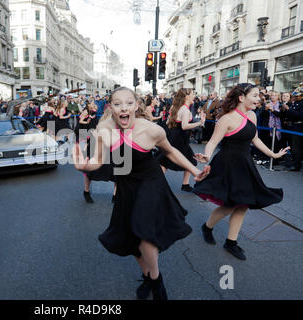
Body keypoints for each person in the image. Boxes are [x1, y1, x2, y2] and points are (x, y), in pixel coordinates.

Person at [73, 86, 209, 300]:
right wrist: (84, 166)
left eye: (129, 103)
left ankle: (156, 280)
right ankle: (148, 276)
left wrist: (194, 171)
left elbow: (171, 151)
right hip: (126, 186)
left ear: (136, 106)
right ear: (111, 107)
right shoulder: (103, 129)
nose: (123, 108)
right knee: (131, 237)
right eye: (117, 104)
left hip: (150, 182)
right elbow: (98, 161)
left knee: (142, 227)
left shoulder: (152, 130)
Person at [193, 83, 290, 261]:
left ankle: (231, 242)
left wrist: (273, 154)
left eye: (258, 96)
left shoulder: (252, 115)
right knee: (229, 206)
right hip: (228, 165)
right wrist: (206, 156)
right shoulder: (226, 119)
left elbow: (255, 139)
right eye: (254, 95)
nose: (258, 99)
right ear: (241, 97)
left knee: (243, 204)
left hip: (245, 165)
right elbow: (213, 142)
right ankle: (207, 227)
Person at [157, 88, 206, 192]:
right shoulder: (185, 109)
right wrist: (200, 123)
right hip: (179, 138)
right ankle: (159, 183)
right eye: (193, 94)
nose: (194, 96)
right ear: (187, 96)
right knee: (170, 161)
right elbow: (184, 126)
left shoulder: (176, 108)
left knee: (170, 160)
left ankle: (185, 184)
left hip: (176, 136)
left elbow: (167, 123)